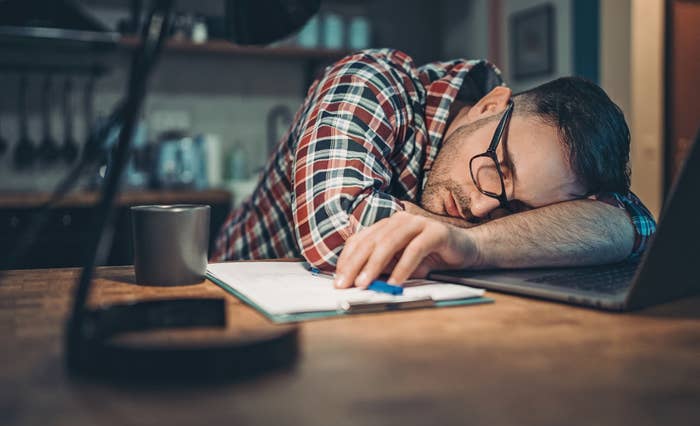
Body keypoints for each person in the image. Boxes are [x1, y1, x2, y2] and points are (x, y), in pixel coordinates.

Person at [213, 49, 655, 289]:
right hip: (229, 307)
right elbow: (334, 229)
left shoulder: (482, 212)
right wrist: (506, 240)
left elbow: (637, 223)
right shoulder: (373, 80)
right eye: (497, 169)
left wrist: (474, 246)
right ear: (488, 106)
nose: (483, 208)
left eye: (519, 209)